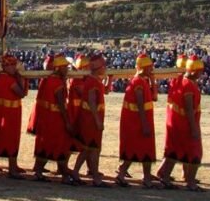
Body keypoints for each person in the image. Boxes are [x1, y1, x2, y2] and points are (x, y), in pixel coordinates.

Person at [158, 55, 205, 191]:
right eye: (199, 71)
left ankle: (165, 177)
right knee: (195, 152)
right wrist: (194, 127)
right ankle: (190, 183)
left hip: (177, 122)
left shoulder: (180, 81)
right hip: (185, 124)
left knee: (174, 150)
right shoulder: (188, 85)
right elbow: (189, 109)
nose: (201, 74)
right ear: (193, 71)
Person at [116, 54, 158, 188]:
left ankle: (145, 177)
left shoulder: (143, 80)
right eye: (149, 67)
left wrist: (152, 81)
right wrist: (144, 123)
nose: (151, 68)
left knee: (145, 148)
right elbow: (140, 103)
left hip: (143, 120)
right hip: (137, 121)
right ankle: (123, 174)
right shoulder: (137, 82)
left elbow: (154, 98)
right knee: (136, 148)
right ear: (143, 68)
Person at [31, 54, 74, 183]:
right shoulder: (58, 83)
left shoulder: (48, 79)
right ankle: (64, 174)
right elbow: (61, 104)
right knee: (60, 143)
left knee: (45, 142)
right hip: (56, 118)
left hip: (46, 117)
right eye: (65, 67)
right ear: (58, 68)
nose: (67, 69)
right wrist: (67, 122)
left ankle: (39, 171)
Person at [0, 54, 27, 179]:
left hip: (5, 112)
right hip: (9, 114)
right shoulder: (8, 79)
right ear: (5, 67)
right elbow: (21, 93)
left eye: (14, 65)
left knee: (2, 138)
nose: (14, 68)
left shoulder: (1, 77)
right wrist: (20, 78)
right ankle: (12, 169)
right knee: (10, 138)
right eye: (12, 65)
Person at [73, 53, 109, 187]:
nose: (105, 68)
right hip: (90, 119)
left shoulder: (94, 80)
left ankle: (93, 176)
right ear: (98, 68)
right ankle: (81, 174)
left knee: (92, 148)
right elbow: (92, 102)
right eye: (103, 66)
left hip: (91, 118)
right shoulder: (92, 82)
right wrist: (98, 121)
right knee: (89, 148)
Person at [156, 54, 186, 181]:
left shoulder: (177, 80)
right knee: (175, 147)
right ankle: (163, 172)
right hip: (178, 118)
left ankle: (185, 174)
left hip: (175, 117)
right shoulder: (181, 82)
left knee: (183, 146)